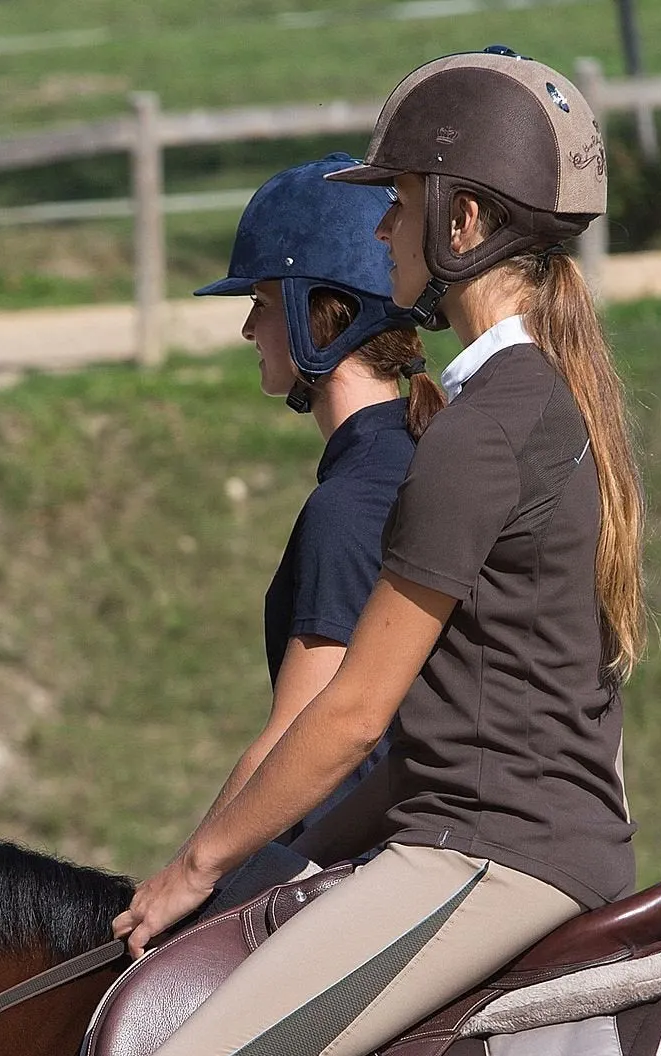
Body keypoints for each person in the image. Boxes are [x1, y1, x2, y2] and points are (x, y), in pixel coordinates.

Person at [101, 49, 646, 1056]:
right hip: (491, 826)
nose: (387, 247)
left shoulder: (481, 426)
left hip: (487, 851)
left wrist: (197, 866)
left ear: (464, 219)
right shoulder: (526, 402)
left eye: (401, 211)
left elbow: (345, 718)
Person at [189, 156, 441, 906]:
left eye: (263, 303)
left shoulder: (350, 502)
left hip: (363, 865)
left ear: (316, 314)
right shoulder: (422, 452)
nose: (246, 328)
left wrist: (187, 875)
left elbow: (297, 738)